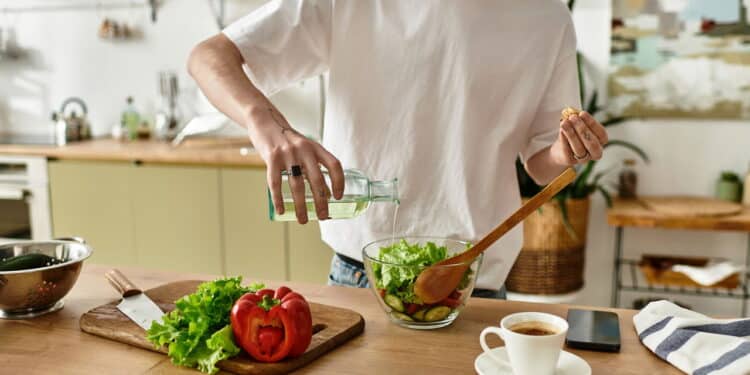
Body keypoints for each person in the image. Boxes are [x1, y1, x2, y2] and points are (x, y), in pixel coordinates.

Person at [188, 0, 608, 299]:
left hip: (472, 285)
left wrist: (564, 153)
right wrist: (267, 124)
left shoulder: (547, 17)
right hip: (360, 276)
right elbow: (209, 57)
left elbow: (540, 165)